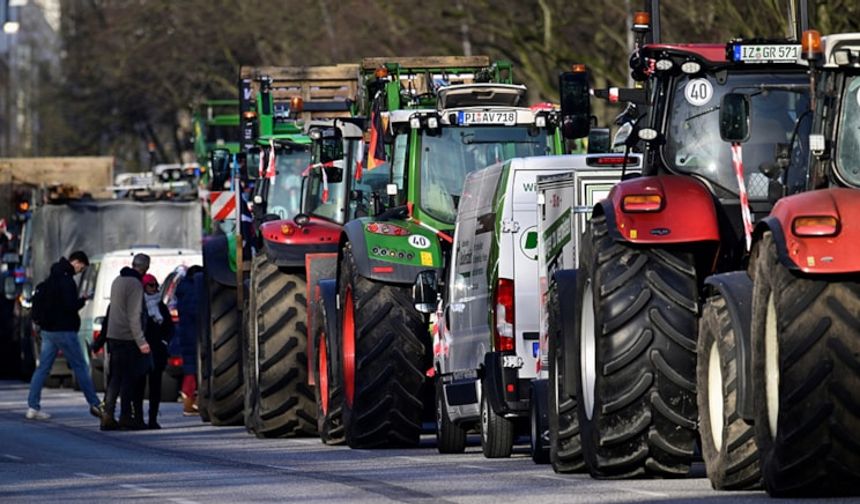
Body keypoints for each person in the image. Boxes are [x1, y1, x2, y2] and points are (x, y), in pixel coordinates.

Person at [26, 251, 104, 420]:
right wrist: (82, 300)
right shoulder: (67, 281)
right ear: (76, 262)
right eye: (81, 268)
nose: (80, 271)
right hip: (65, 331)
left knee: (42, 369)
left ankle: (33, 407)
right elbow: (70, 306)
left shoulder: (52, 277)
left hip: (48, 331)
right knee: (81, 367)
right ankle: (95, 404)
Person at [101, 253, 151, 430]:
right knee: (129, 379)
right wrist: (142, 341)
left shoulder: (117, 281)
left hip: (113, 336)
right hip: (129, 338)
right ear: (145, 268)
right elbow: (134, 315)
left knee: (115, 378)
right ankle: (125, 416)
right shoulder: (135, 284)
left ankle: (107, 414)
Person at [134, 274, 174, 429]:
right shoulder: (138, 305)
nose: (155, 289)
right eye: (151, 285)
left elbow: (170, 327)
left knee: (155, 386)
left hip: (157, 351)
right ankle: (138, 418)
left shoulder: (161, 306)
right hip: (142, 350)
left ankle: (152, 418)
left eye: (156, 285)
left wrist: (164, 341)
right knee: (139, 385)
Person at [176, 265, 202, 416]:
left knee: (190, 368)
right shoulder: (193, 291)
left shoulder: (183, 289)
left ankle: (189, 401)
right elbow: (195, 311)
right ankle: (190, 402)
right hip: (194, 334)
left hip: (186, 333)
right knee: (193, 370)